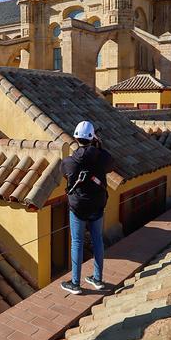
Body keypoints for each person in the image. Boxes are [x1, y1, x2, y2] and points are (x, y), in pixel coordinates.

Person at [60, 121, 113, 295]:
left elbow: (65, 171)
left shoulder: (69, 162)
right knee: (97, 239)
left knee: (77, 242)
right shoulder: (102, 158)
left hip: (77, 206)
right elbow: (111, 164)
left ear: (76, 138)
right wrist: (99, 146)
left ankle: (75, 283)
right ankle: (97, 278)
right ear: (93, 138)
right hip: (97, 204)